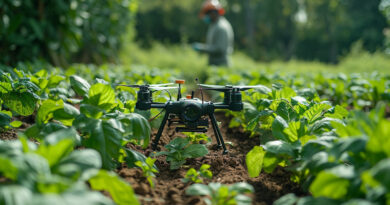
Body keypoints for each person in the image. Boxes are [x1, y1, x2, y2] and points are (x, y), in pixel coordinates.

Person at [192, 0, 234, 67]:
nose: (205, 17)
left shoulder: (221, 27)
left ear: (213, 13)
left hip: (221, 66)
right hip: (214, 64)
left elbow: (220, 49)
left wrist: (202, 48)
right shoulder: (214, 25)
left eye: (207, 14)